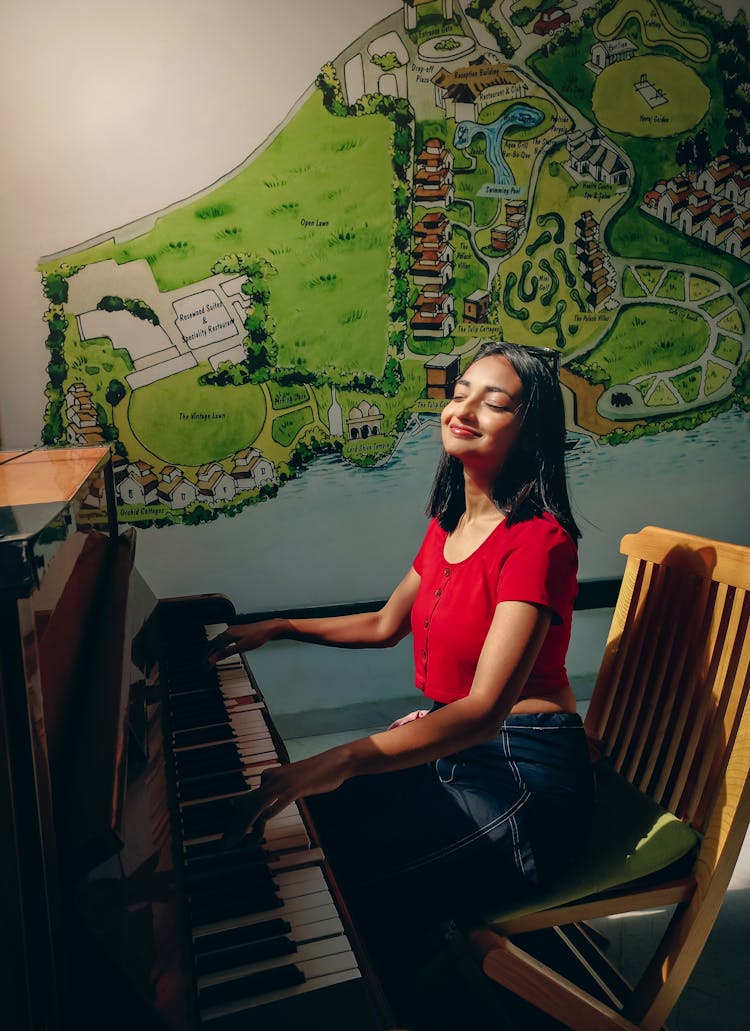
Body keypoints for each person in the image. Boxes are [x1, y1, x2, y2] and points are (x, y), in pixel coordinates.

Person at [209, 341, 594, 1020]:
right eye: (461, 390)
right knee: (308, 833)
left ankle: (398, 996)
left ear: (529, 428)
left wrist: (340, 758)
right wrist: (280, 627)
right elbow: (390, 622)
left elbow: (481, 712)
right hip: (466, 751)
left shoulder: (539, 542)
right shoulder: (452, 523)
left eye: (495, 400)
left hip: (525, 779)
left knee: (343, 882)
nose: (465, 408)